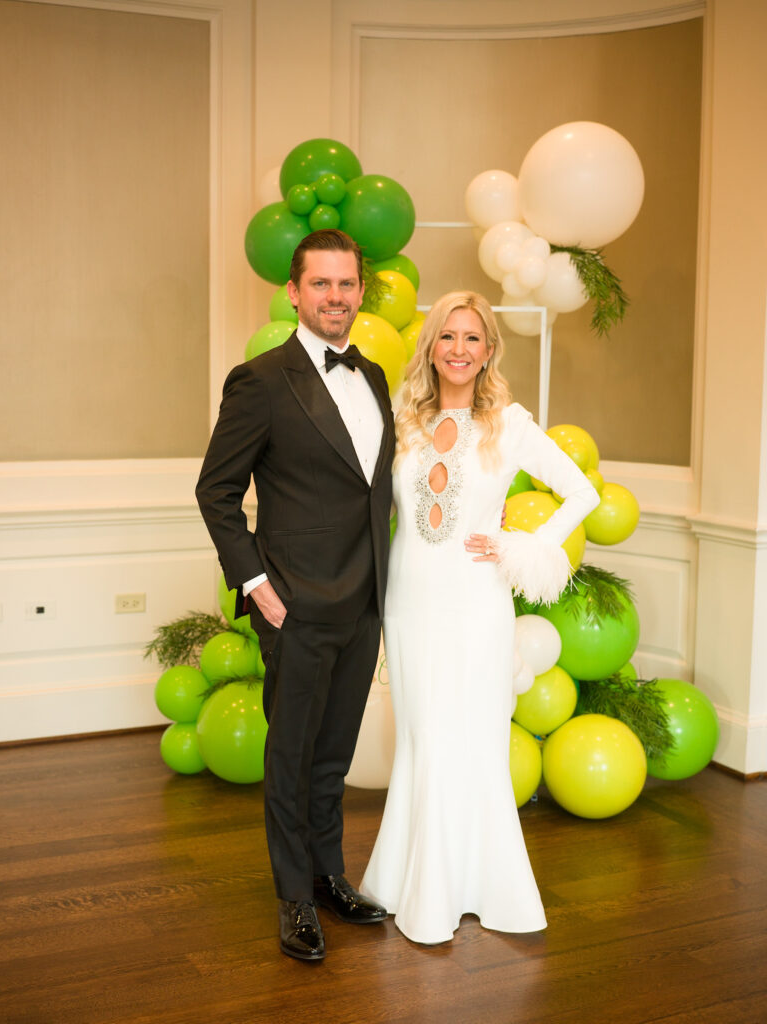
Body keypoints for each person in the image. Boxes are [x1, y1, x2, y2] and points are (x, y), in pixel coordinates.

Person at [360, 291, 599, 944]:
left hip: (476, 606)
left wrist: (522, 547)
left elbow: (583, 493)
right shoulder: (402, 422)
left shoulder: (511, 424)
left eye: (473, 338)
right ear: (430, 348)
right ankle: (409, 881)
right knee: (421, 740)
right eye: (448, 337)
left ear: (489, 350)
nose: (459, 349)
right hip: (408, 604)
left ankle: (466, 892)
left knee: (468, 742)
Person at [196, 229, 395, 962]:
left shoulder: (373, 376)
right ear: (293, 291)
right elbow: (215, 490)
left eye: (346, 285)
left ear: (360, 292)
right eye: (321, 284)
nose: (335, 297)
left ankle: (328, 876)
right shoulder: (260, 380)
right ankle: (292, 901)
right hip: (298, 603)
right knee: (290, 754)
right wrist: (255, 584)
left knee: (332, 754)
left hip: (367, 598)